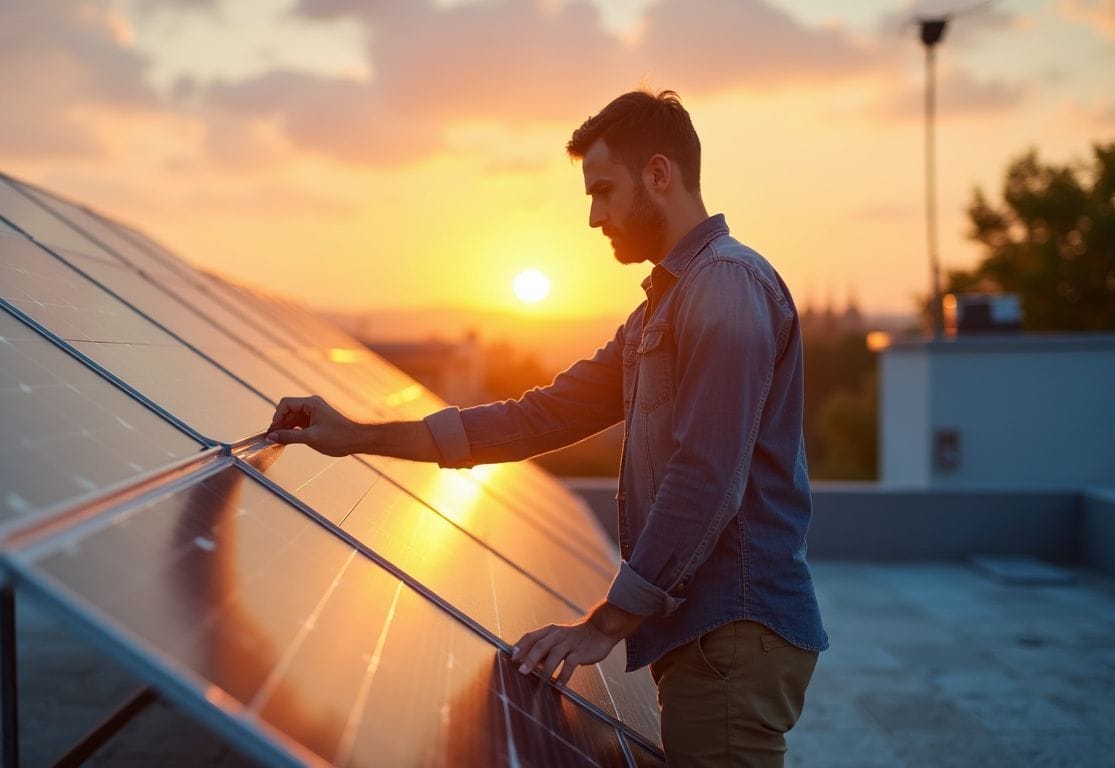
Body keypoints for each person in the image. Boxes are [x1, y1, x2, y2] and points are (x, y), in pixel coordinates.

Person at [266, 89, 827, 767]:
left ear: (659, 174)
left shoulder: (726, 288)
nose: (593, 217)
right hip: (709, 639)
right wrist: (354, 434)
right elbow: (536, 418)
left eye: (603, 191)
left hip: (732, 635)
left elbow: (706, 476)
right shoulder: (660, 312)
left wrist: (606, 624)